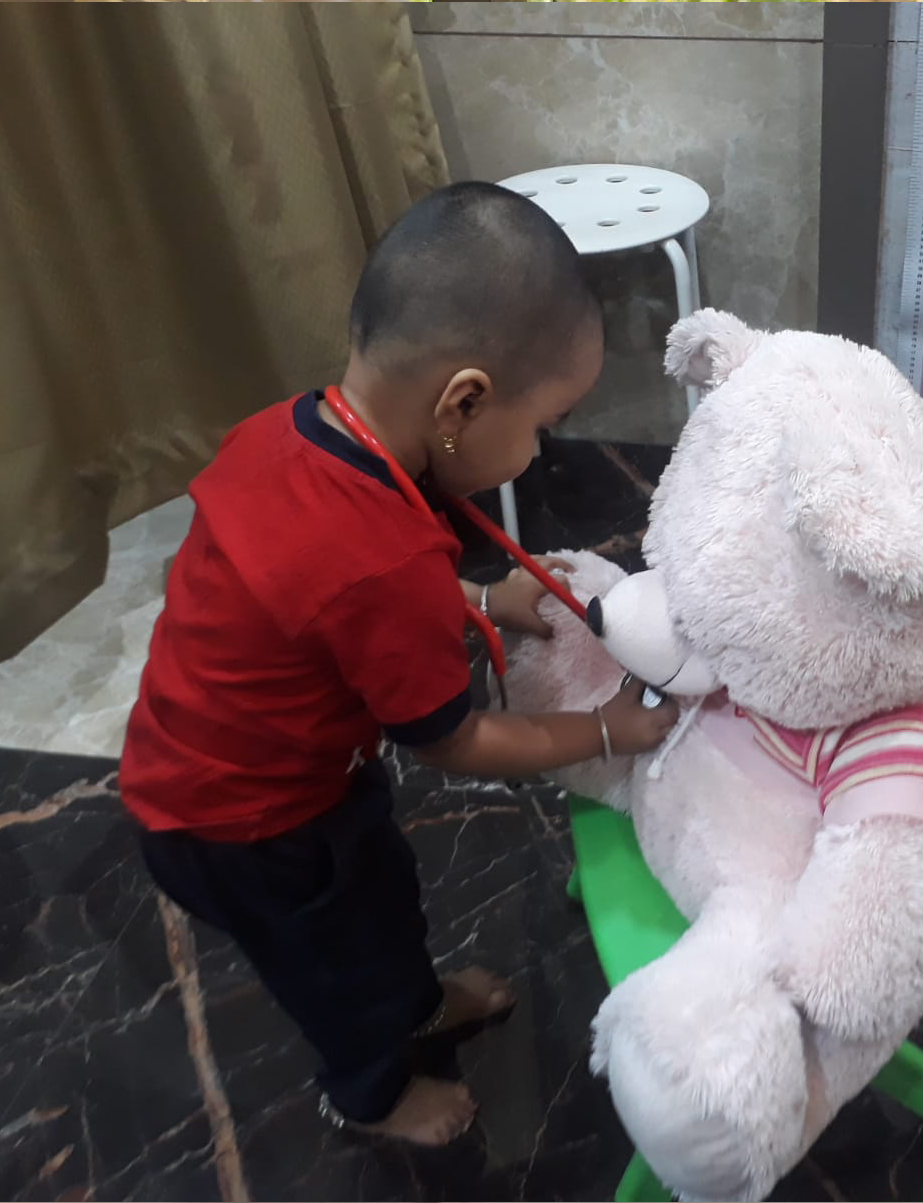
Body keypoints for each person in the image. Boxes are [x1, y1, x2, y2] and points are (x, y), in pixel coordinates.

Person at [119, 182, 679, 1146]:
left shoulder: (297, 429)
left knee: (379, 902)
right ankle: (369, 1094)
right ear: (464, 400)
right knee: (332, 964)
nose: (536, 452)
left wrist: (479, 600)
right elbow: (450, 740)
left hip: (254, 767)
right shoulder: (380, 559)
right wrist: (604, 728)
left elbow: (338, 591)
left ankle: (414, 1003)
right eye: (542, 427)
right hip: (240, 822)